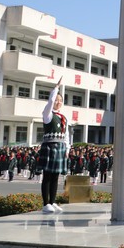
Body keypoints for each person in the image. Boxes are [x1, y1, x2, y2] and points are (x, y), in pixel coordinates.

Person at [39, 78, 70, 213]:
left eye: (60, 100)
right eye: (57, 100)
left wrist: (67, 148)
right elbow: (50, 101)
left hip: (60, 147)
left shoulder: (63, 117)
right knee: (47, 176)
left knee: (56, 176)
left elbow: (66, 135)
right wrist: (56, 88)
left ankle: (52, 201)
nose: (58, 102)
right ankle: (46, 204)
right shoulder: (48, 114)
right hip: (50, 147)